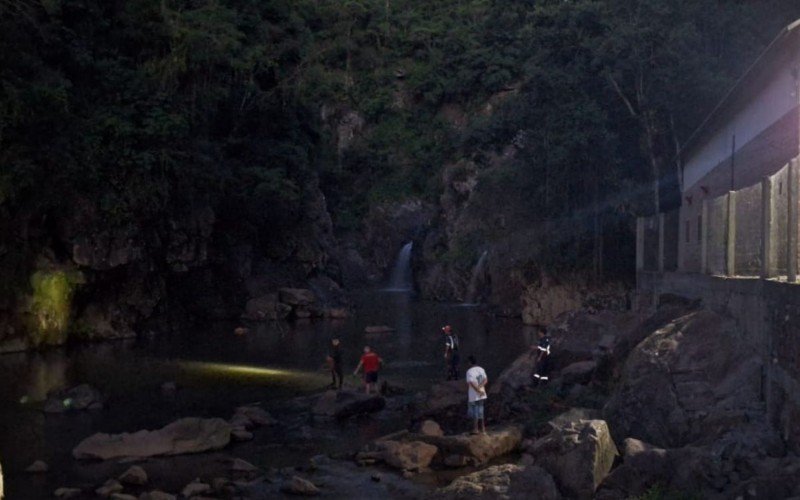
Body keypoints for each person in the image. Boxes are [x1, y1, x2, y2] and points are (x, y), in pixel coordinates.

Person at [465, 355, 488, 434]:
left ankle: (475, 429)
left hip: (474, 394)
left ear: (470, 362)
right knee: (481, 410)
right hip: (482, 393)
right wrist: (480, 388)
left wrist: (477, 390)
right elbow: (485, 380)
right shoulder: (481, 369)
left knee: (475, 411)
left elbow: (471, 383)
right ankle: (483, 429)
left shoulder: (469, 371)